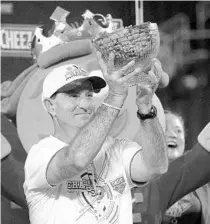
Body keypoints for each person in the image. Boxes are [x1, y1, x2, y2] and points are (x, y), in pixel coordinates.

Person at [23, 53, 169, 224]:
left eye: (89, 95)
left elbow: (156, 167)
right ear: (50, 106)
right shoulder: (41, 154)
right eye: (73, 95)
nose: (85, 104)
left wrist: (146, 108)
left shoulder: (116, 148)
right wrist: (115, 98)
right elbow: (76, 161)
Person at [132, 111, 210, 224]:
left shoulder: (203, 176)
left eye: (178, 131)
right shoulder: (134, 176)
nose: (173, 135)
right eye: (165, 129)